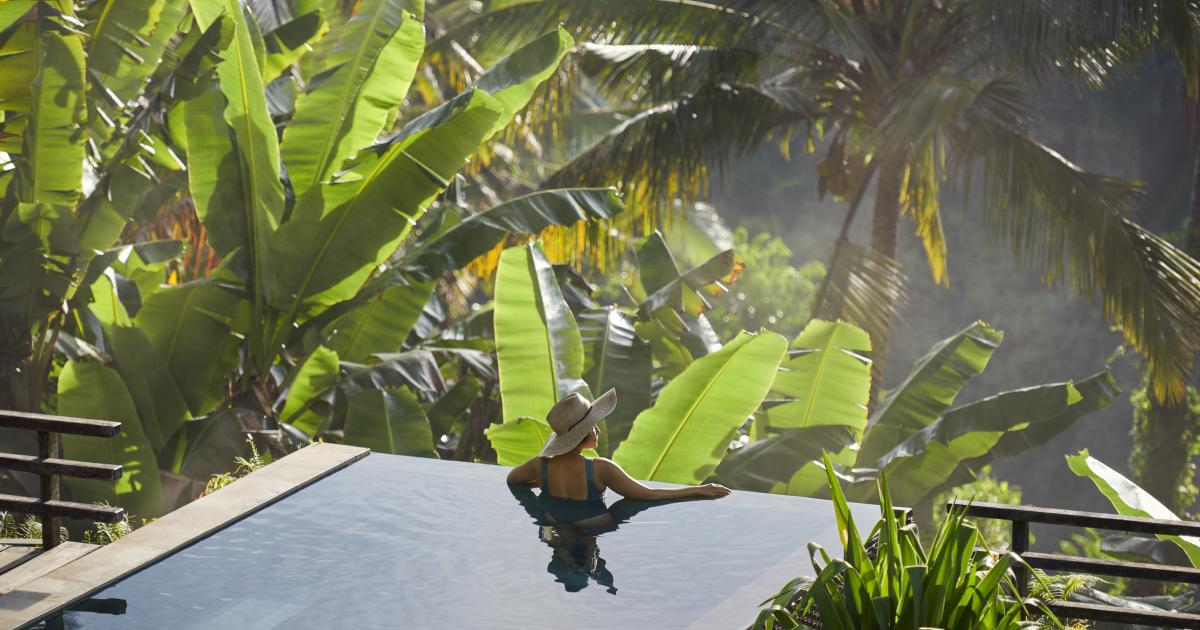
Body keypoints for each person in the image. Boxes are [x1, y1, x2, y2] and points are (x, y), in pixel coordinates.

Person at [505, 389, 731, 511]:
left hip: (553, 529)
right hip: (590, 530)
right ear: (583, 435)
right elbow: (647, 494)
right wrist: (698, 490)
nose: (597, 431)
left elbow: (512, 480)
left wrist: (541, 481)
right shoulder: (601, 469)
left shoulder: (539, 466)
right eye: (592, 426)